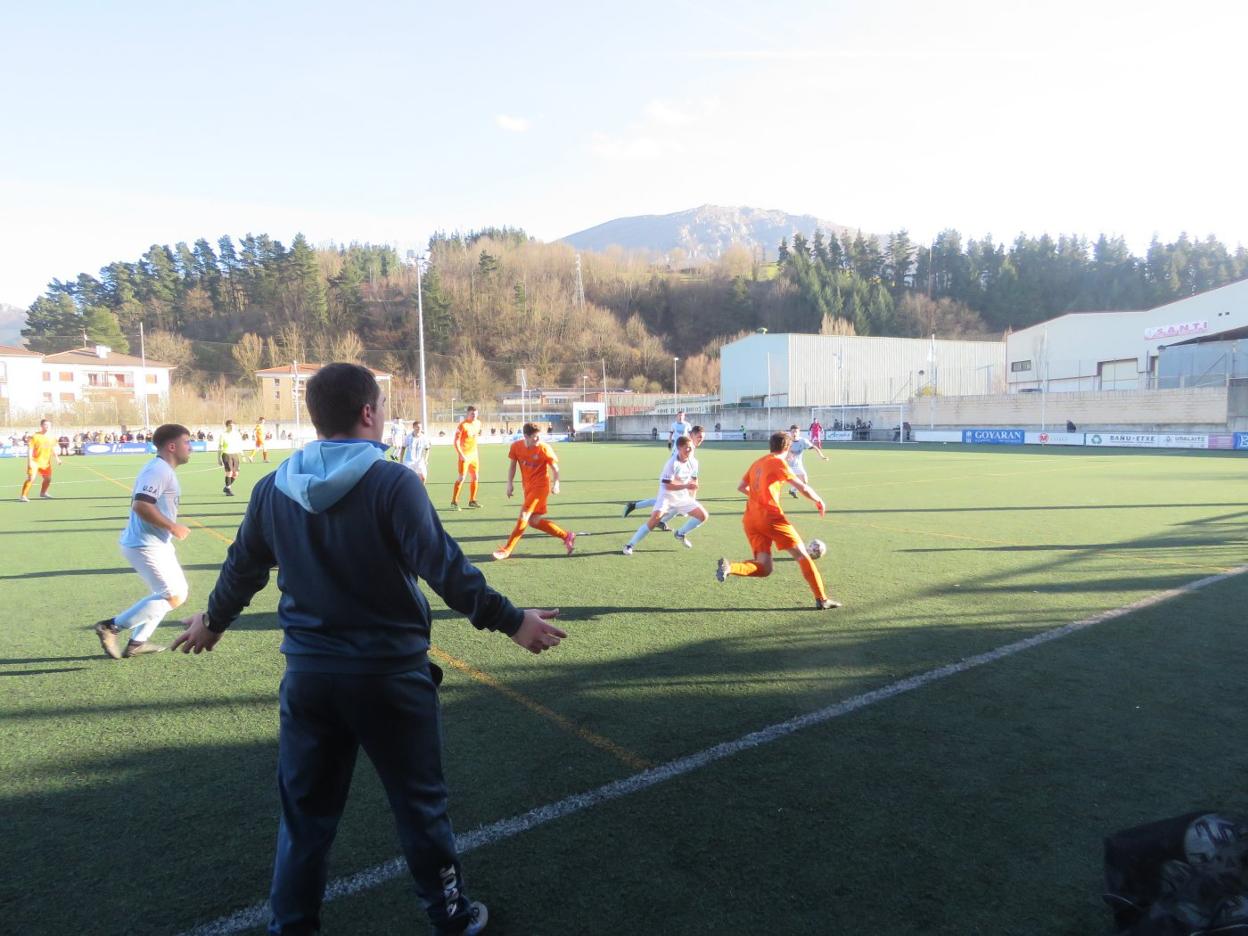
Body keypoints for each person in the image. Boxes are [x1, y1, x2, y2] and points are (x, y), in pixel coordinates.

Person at [170, 363, 565, 936]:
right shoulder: (393, 481)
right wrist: (512, 622)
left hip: (310, 681)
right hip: (390, 679)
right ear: (367, 412)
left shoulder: (271, 487)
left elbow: (243, 568)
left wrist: (214, 621)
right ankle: (450, 916)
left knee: (305, 820)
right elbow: (446, 570)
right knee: (419, 808)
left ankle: (293, 926)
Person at [93, 424, 193, 658]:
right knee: (173, 595)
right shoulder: (159, 470)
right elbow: (141, 505)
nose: (190, 447)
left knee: (171, 593)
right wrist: (173, 526)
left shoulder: (162, 469)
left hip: (155, 542)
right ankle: (111, 626)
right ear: (172, 446)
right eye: (186, 442)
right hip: (144, 544)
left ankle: (137, 643)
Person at [716, 431, 841, 610]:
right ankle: (822, 599)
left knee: (764, 568)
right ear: (788, 447)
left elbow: (741, 487)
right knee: (802, 556)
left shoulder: (758, 462)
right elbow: (802, 487)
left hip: (751, 518)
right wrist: (818, 500)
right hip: (771, 518)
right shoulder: (779, 463)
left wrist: (759, 497)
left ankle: (731, 567)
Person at [492, 422, 575, 560]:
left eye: (539, 436)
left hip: (541, 487)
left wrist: (557, 484)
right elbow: (512, 466)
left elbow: (555, 468)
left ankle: (506, 550)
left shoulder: (544, 448)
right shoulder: (516, 447)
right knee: (534, 521)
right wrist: (509, 484)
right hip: (528, 488)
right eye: (535, 437)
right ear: (526, 436)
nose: (538, 439)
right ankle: (566, 536)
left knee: (524, 516)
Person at [622, 433, 709, 554]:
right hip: (667, 495)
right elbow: (668, 485)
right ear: (678, 449)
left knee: (703, 516)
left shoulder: (694, 462)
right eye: (686, 447)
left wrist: (692, 496)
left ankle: (680, 533)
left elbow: (694, 479)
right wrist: (686, 486)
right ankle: (629, 545)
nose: (689, 449)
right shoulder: (672, 464)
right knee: (655, 520)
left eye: (690, 447)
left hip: (682, 496)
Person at [19, 419, 61, 501]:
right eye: (45, 425)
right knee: (31, 478)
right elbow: (30, 449)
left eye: (49, 425)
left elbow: (53, 448)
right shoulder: (35, 436)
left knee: (48, 479)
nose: (48, 426)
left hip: (46, 463)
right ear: (41, 426)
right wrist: (30, 461)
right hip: (35, 461)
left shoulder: (52, 437)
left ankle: (43, 493)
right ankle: (23, 496)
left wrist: (57, 459)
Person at [450, 405, 482, 509]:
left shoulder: (478, 423)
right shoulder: (462, 426)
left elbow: (477, 435)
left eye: (476, 414)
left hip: (474, 455)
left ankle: (472, 500)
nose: (474, 416)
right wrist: (461, 454)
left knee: (475, 477)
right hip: (464, 456)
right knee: (462, 477)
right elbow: (456, 442)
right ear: (467, 414)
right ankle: (454, 502)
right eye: (472, 414)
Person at [786, 425, 828, 498]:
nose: (794, 433)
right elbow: (780, 451)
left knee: (805, 481)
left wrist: (822, 456)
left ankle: (792, 490)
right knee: (779, 481)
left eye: (796, 432)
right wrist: (788, 455)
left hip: (798, 465)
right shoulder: (787, 441)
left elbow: (814, 447)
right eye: (792, 432)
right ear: (790, 433)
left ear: (799, 433)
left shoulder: (803, 441)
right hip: (786, 466)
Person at [219, 419, 244, 496]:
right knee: (229, 472)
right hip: (226, 454)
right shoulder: (223, 435)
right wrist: (218, 458)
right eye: (230, 425)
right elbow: (220, 447)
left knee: (235, 474)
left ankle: (227, 487)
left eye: (233, 425)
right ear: (227, 426)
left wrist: (242, 455)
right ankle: (228, 490)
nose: (232, 427)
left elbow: (239, 445)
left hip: (235, 454)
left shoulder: (237, 434)